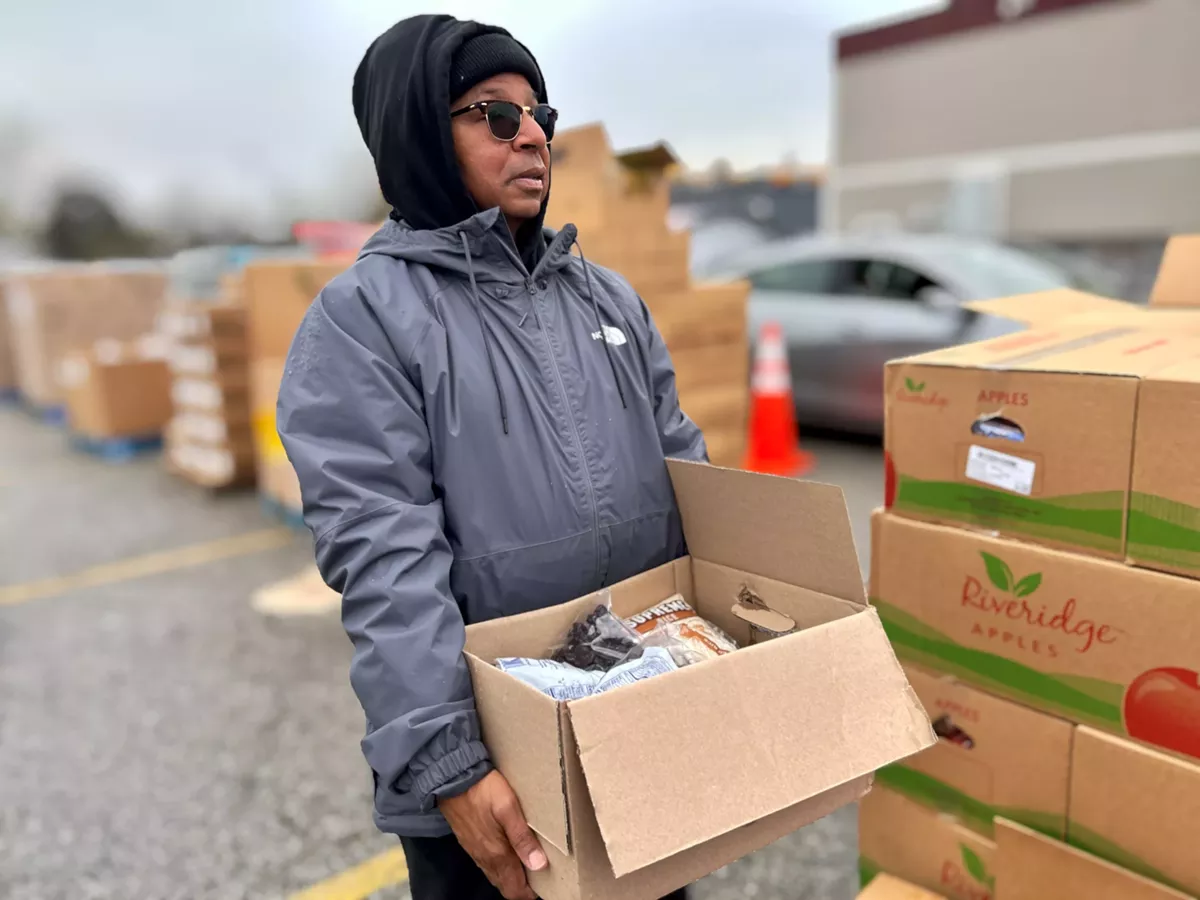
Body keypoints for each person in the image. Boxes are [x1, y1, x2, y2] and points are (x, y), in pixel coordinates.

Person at [277, 13, 703, 900]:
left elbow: (686, 476)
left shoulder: (610, 297)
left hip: (646, 718)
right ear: (421, 134)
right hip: (496, 767)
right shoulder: (363, 321)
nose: (534, 135)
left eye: (538, 111)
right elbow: (382, 553)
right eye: (495, 115)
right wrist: (450, 763)